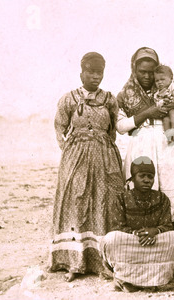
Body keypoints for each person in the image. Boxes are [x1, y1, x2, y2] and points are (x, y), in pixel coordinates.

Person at [50, 52, 125, 282]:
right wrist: (72, 151)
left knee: (105, 202)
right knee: (76, 201)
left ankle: (103, 261)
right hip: (76, 159)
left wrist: (100, 146)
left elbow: (112, 129)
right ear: (81, 72)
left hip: (104, 157)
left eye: (99, 72)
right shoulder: (69, 99)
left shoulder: (110, 99)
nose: (95, 77)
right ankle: (74, 261)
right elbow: (60, 128)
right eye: (91, 72)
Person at [116, 47, 174, 224]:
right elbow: (120, 126)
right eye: (141, 72)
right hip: (140, 141)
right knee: (142, 183)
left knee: (170, 180)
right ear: (134, 70)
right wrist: (148, 112)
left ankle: (168, 226)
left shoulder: (169, 87)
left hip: (168, 140)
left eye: (151, 72)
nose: (147, 76)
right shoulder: (125, 94)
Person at [100, 156, 174, 292]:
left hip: (154, 240)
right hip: (131, 241)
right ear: (132, 178)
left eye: (150, 177)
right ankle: (127, 278)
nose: (146, 180)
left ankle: (151, 279)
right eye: (142, 176)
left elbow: (167, 225)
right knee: (111, 239)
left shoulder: (162, 198)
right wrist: (137, 234)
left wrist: (154, 232)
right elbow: (118, 226)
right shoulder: (121, 199)